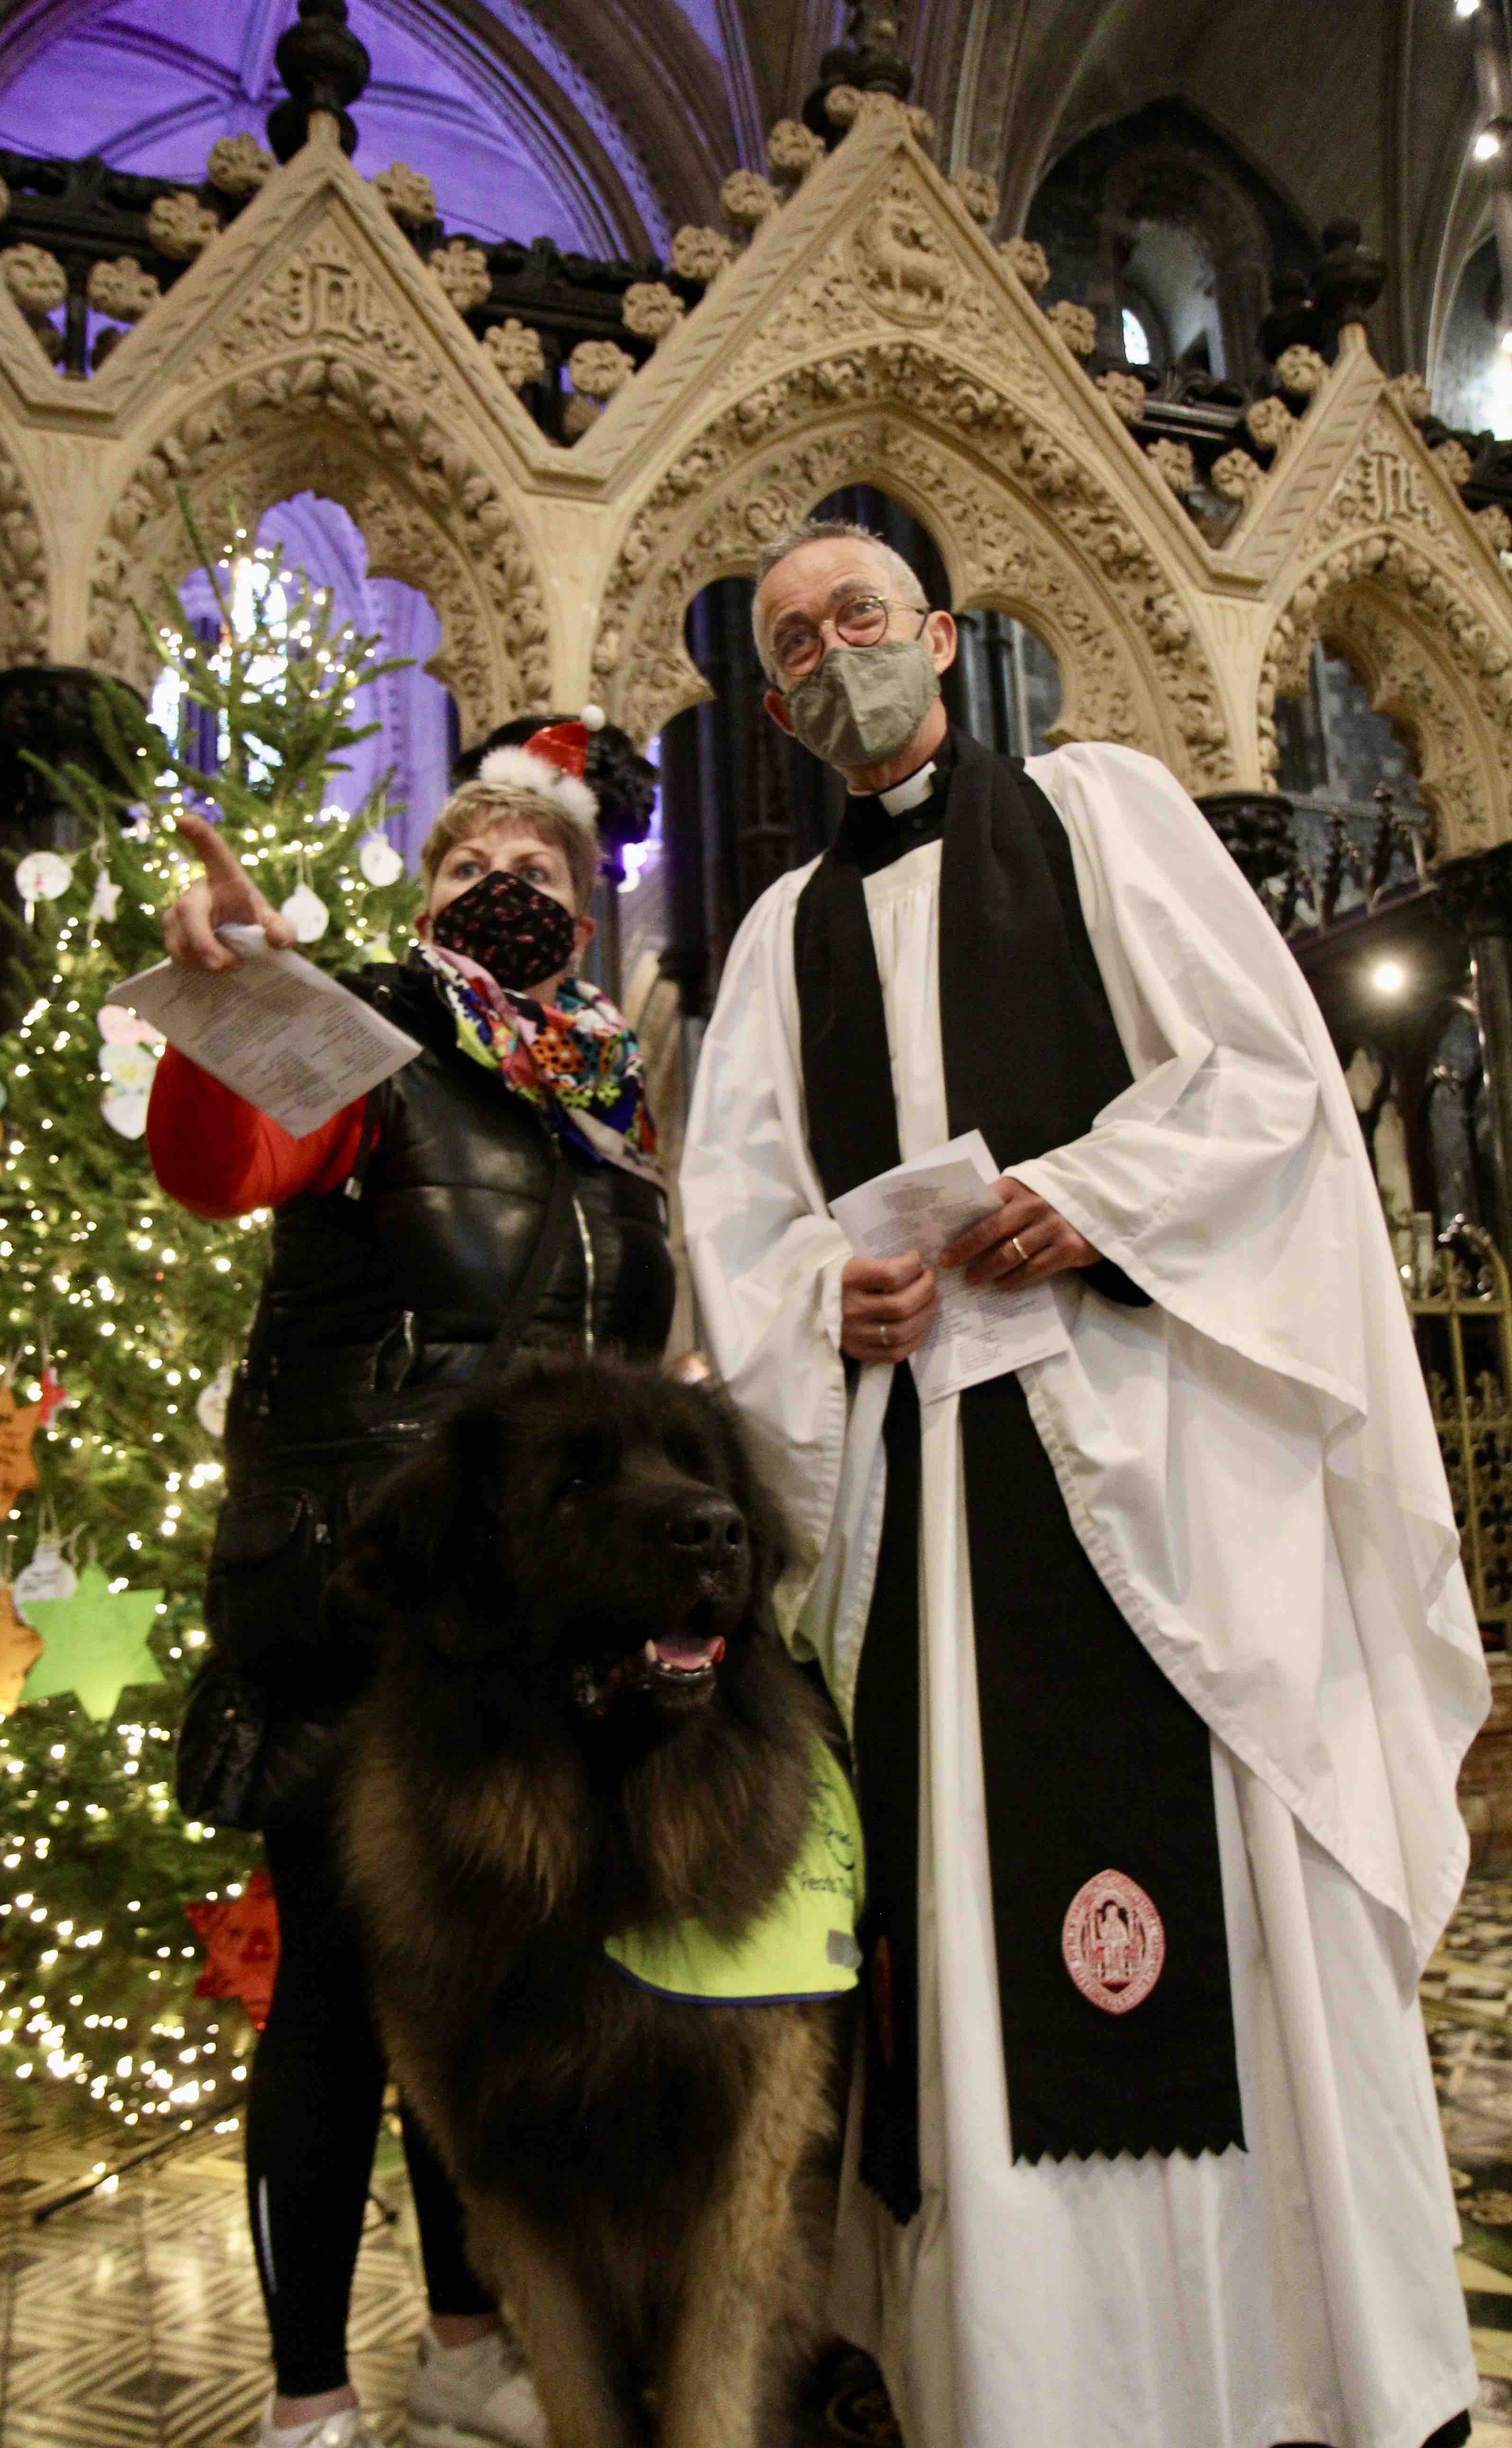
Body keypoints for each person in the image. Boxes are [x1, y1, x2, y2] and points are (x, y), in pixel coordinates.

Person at [679, 517, 1489, 2448]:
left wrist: (1091, 1197)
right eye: (792, 642)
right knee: (959, 1931)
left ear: (942, 636)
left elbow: (1264, 1078)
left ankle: (1298, 2362)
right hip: (937, 1489)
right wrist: (826, 1296)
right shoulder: (779, 940)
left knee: (1230, 1913)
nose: (830, 657)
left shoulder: (1104, 812)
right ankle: (1037, 2387)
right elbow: (742, 1224)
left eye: (859, 616)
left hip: (1146, 1468)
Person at [146, 716, 675, 2448]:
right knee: (344, 2000)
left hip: (539, 1625)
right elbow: (220, 1167)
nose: (503, 888)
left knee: (489, 1991)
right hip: (369, 1602)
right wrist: (226, 999)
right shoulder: (368, 1052)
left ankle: (465, 2343)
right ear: (426, 898)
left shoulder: (615, 1112)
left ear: (583, 914)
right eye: (469, 867)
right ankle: (310, 2403)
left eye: (537, 870)